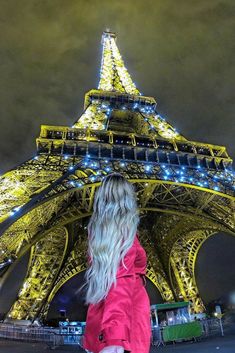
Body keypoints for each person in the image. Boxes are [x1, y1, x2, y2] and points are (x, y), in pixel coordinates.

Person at [81, 173, 151, 353]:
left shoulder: (99, 234)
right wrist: (114, 337)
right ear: (128, 199)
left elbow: (108, 283)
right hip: (125, 329)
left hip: (100, 321)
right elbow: (120, 284)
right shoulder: (123, 232)